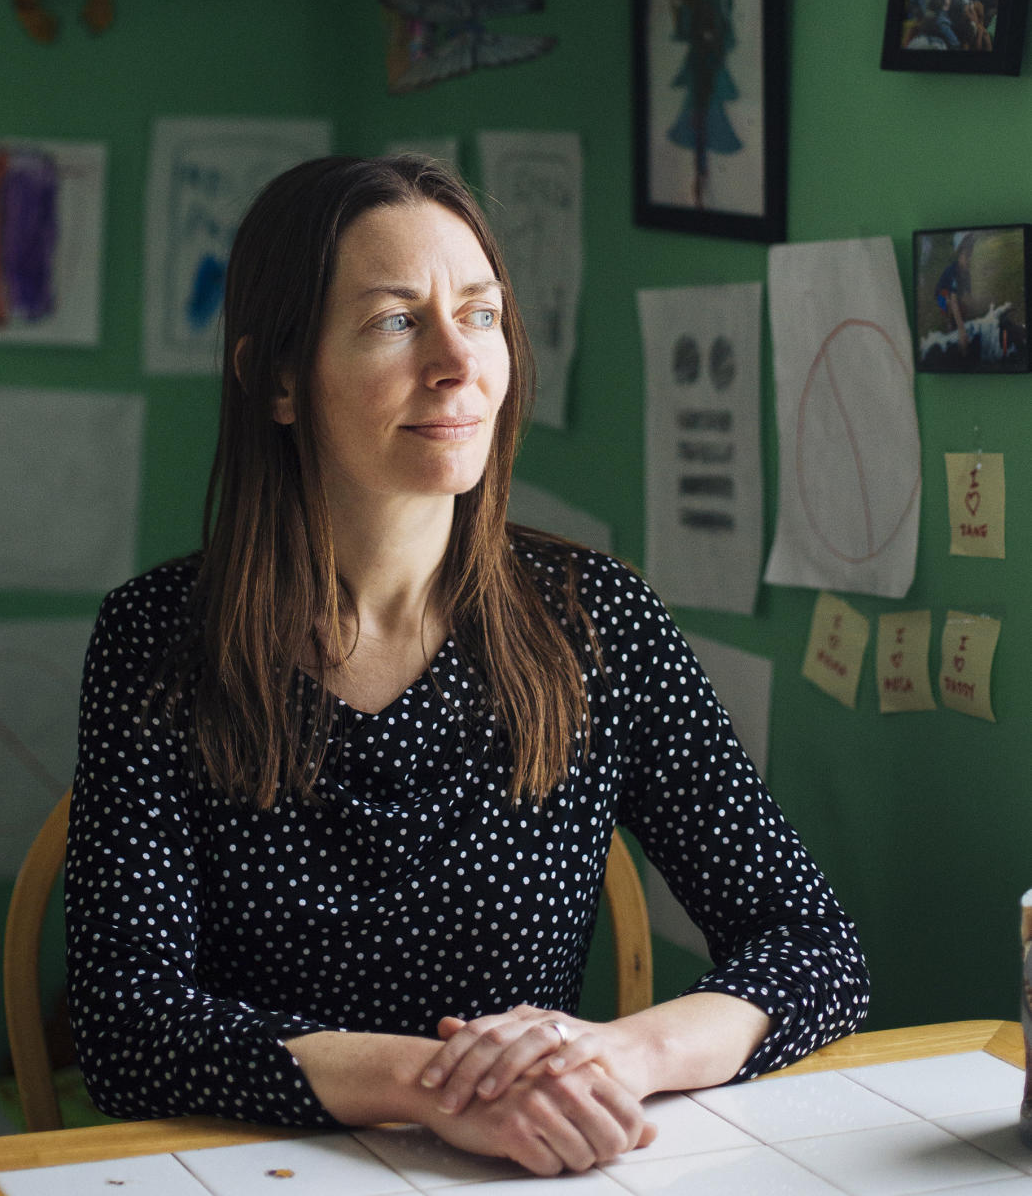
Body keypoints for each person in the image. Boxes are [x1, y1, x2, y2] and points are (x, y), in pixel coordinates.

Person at [65, 156, 868, 1175]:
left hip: (517, 1167)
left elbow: (812, 948)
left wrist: (610, 1054)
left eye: (480, 314)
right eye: (396, 322)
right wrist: (438, 1087)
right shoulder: (158, 639)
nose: (458, 364)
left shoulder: (595, 621)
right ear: (276, 379)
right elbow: (128, 1031)